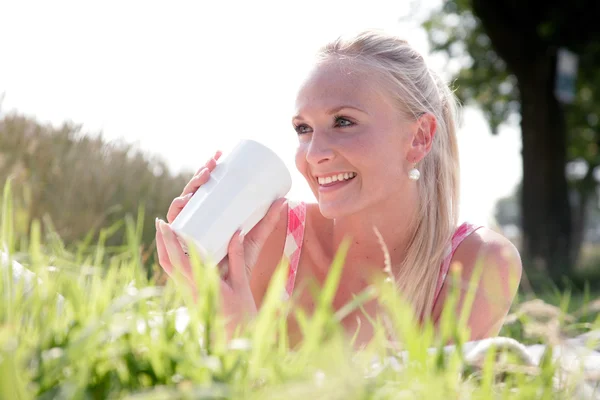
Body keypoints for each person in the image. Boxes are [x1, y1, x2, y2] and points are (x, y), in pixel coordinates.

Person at [155, 30, 522, 347]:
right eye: (303, 129)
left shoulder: (478, 262)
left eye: (343, 122)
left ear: (419, 138)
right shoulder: (270, 238)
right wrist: (201, 292)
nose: (314, 154)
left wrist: (240, 338)